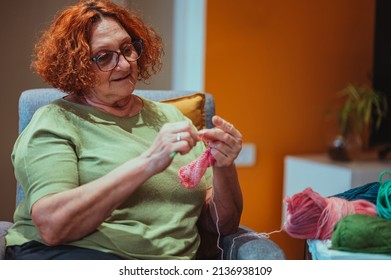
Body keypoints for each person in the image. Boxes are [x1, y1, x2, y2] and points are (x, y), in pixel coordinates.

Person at [5, 0, 243, 260]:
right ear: (77, 67)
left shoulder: (171, 117)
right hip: (72, 255)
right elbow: (53, 227)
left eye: (127, 49)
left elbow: (221, 225)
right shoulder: (55, 121)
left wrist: (224, 165)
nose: (125, 64)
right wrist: (149, 162)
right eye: (105, 56)